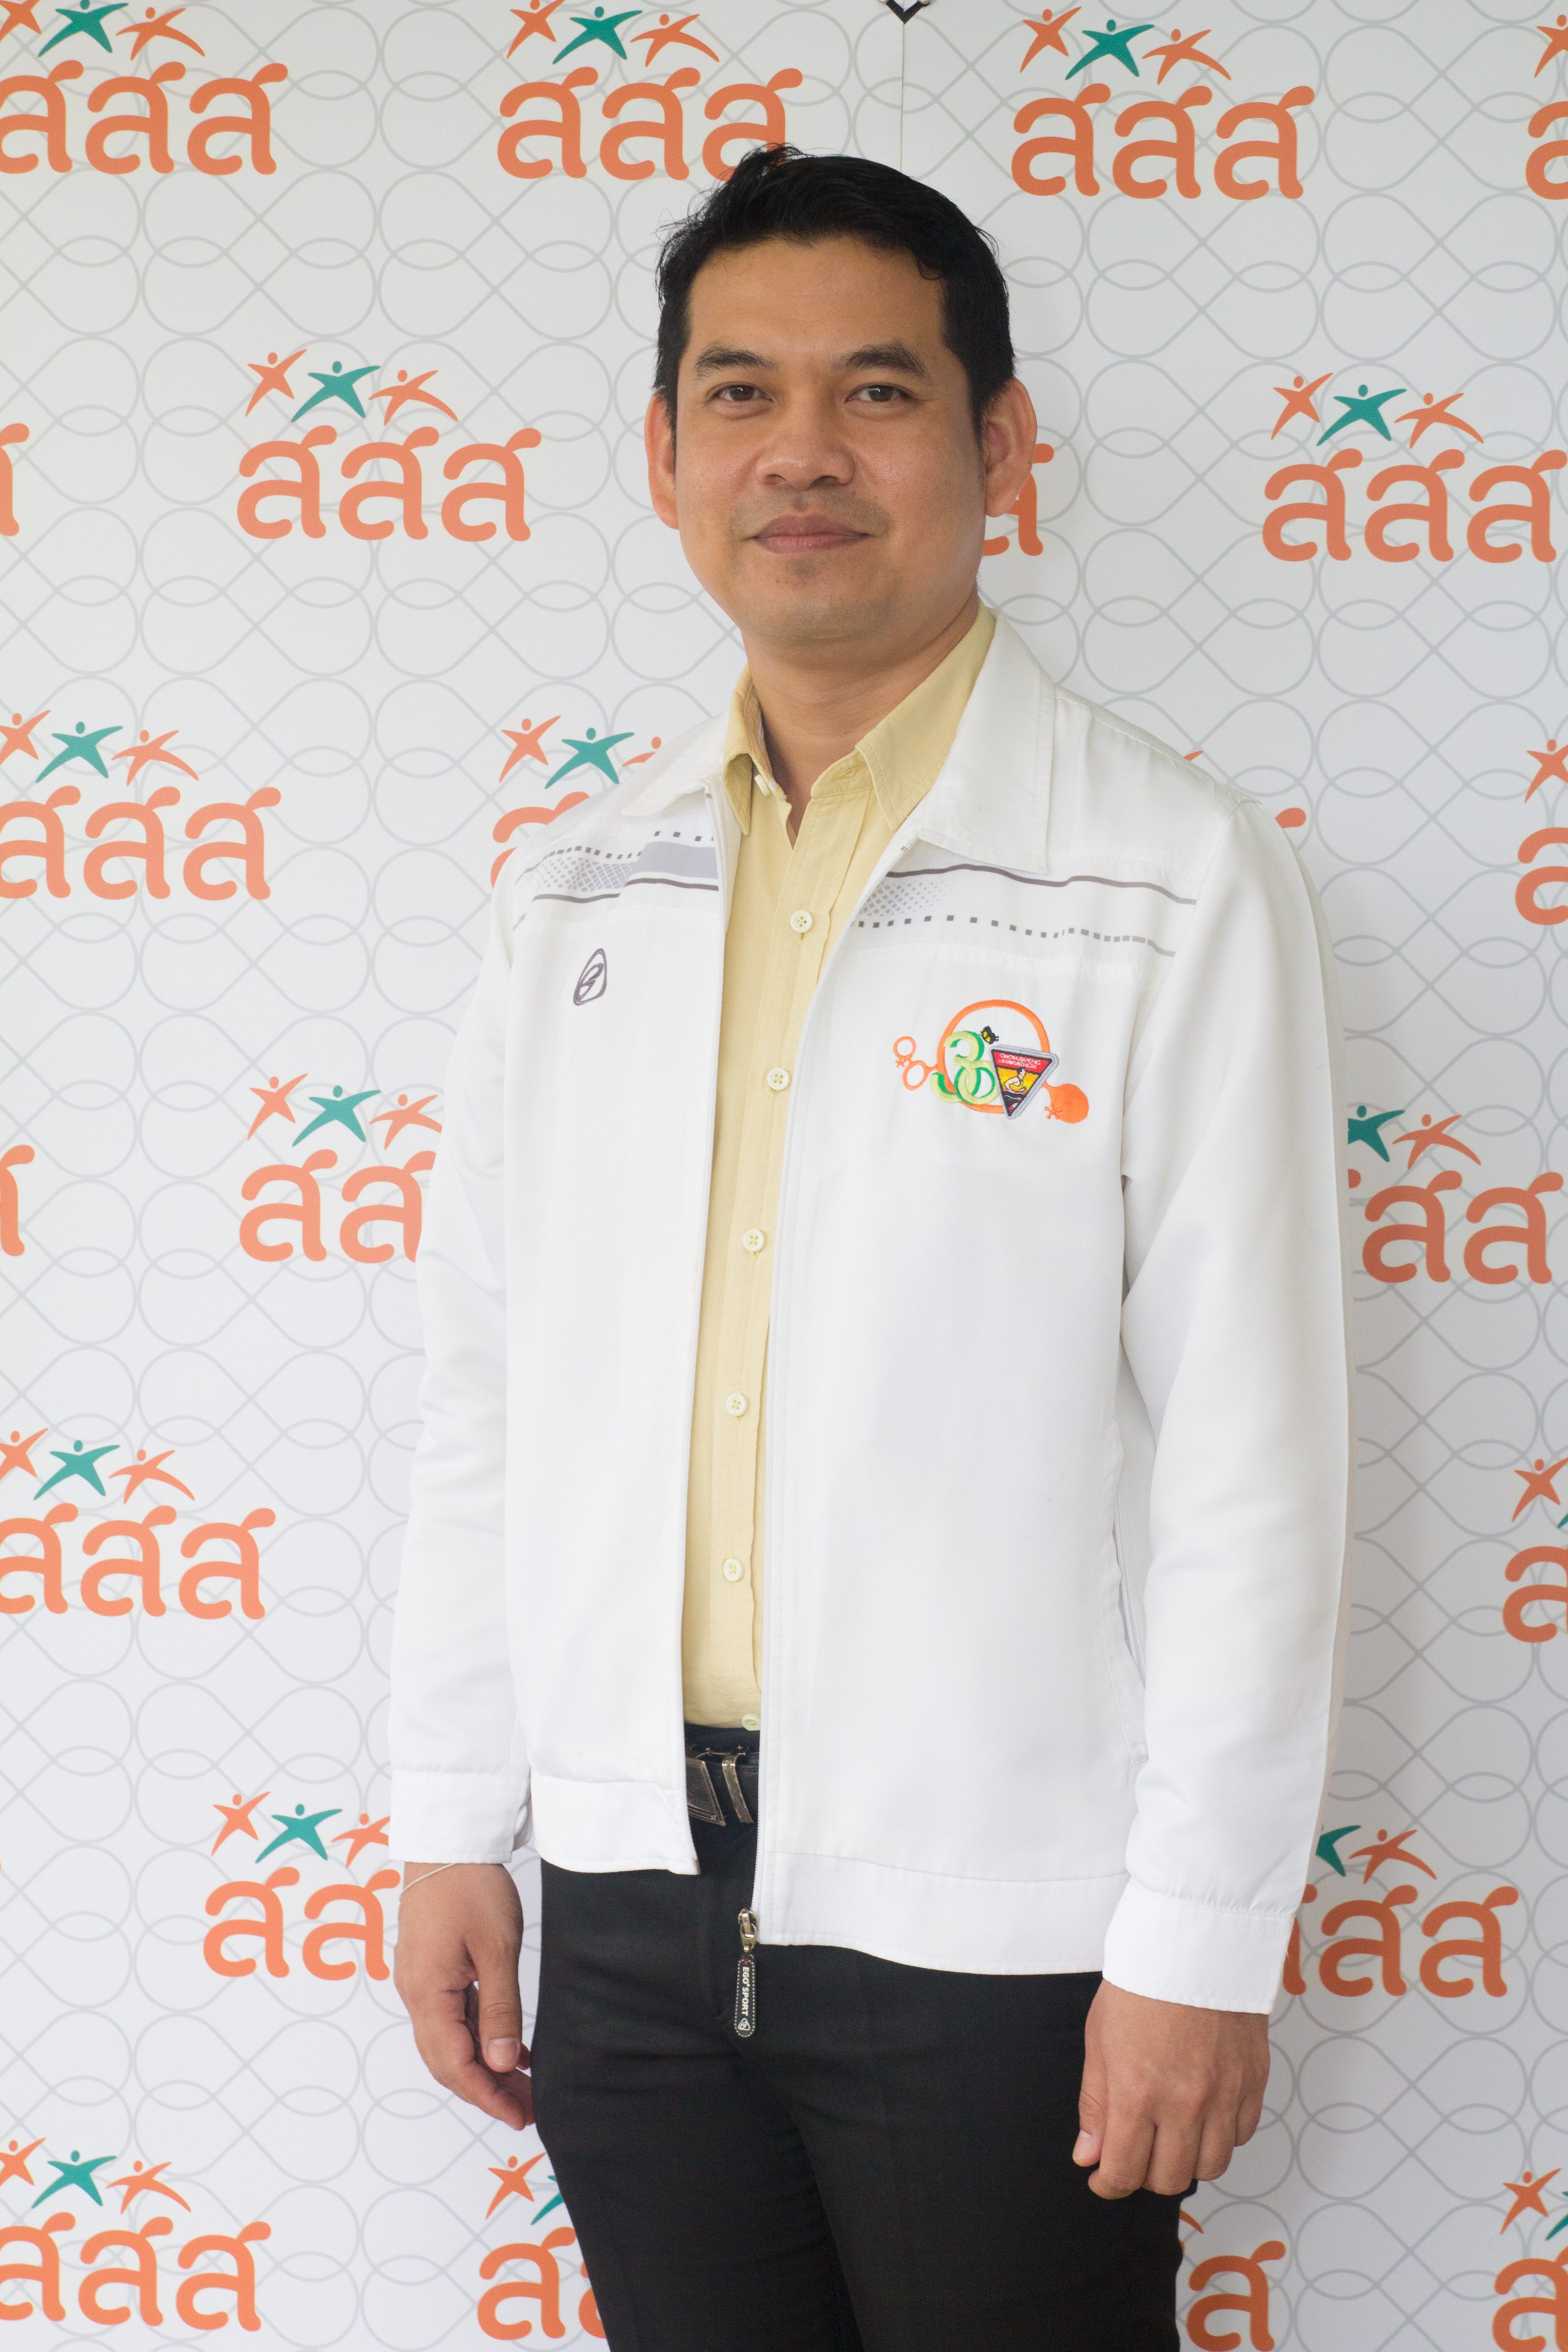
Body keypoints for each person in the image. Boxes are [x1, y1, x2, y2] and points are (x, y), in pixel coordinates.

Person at [389, 147, 1352, 2351]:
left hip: (1001, 1930)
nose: (801, 453)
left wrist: (1200, 1937)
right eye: (740, 394)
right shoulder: (573, 893)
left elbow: (1253, 1457)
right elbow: (491, 1390)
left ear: (1001, 446)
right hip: (629, 1910)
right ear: (664, 454)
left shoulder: (1167, 877)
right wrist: (456, 1820)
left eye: (879, 392)